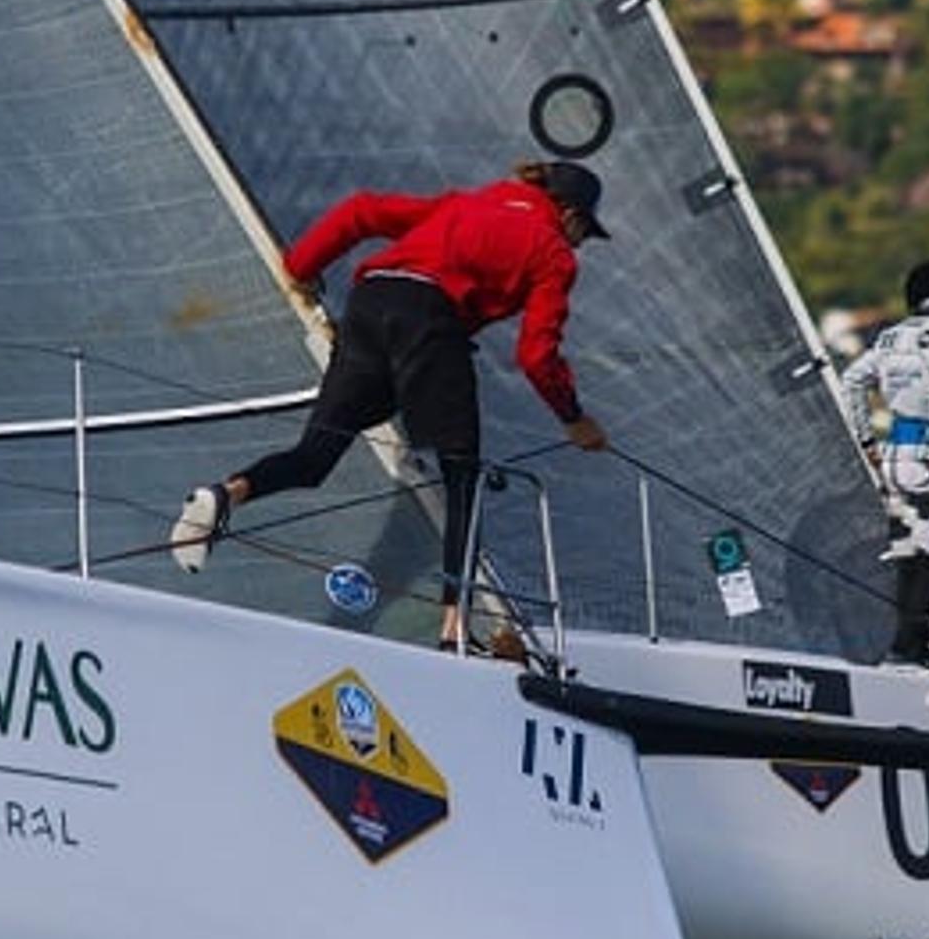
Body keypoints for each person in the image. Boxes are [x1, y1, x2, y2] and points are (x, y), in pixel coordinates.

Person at [169, 161, 611, 650]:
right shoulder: (553, 252)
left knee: (316, 454)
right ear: (568, 215)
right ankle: (455, 634)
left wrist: (300, 269)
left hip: (370, 302)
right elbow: (536, 355)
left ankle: (227, 494)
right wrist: (574, 417)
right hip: (430, 319)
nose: (579, 244)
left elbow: (363, 212)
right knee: (464, 478)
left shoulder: (466, 202)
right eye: (584, 233)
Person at [840, 259, 929, 667]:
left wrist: (866, 440)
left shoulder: (891, 337)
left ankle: (904, 647)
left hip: (894, 455)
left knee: (906, 552)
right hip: (928, 457)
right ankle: (911, 652)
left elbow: (852, 381)